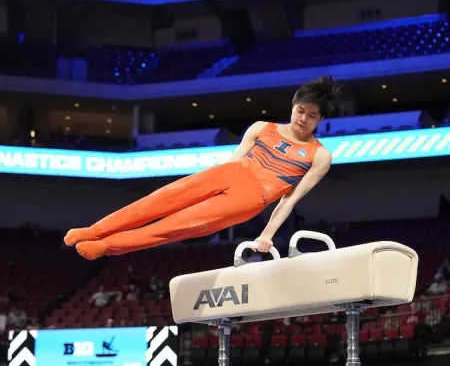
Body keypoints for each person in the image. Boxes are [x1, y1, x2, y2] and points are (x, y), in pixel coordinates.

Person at [64, 76, 342, 260]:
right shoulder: (261, 128)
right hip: (231, 172)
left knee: (177, 225)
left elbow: (289, 199)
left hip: (250, 197)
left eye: (312, 115)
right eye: (300, 110)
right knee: (159, 200)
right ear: (293, 105)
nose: (303, 118)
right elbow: (233, 162)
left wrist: (267, 234)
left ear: (321, 119)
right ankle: (94, 230)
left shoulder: (319, 156)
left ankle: (106, 246)